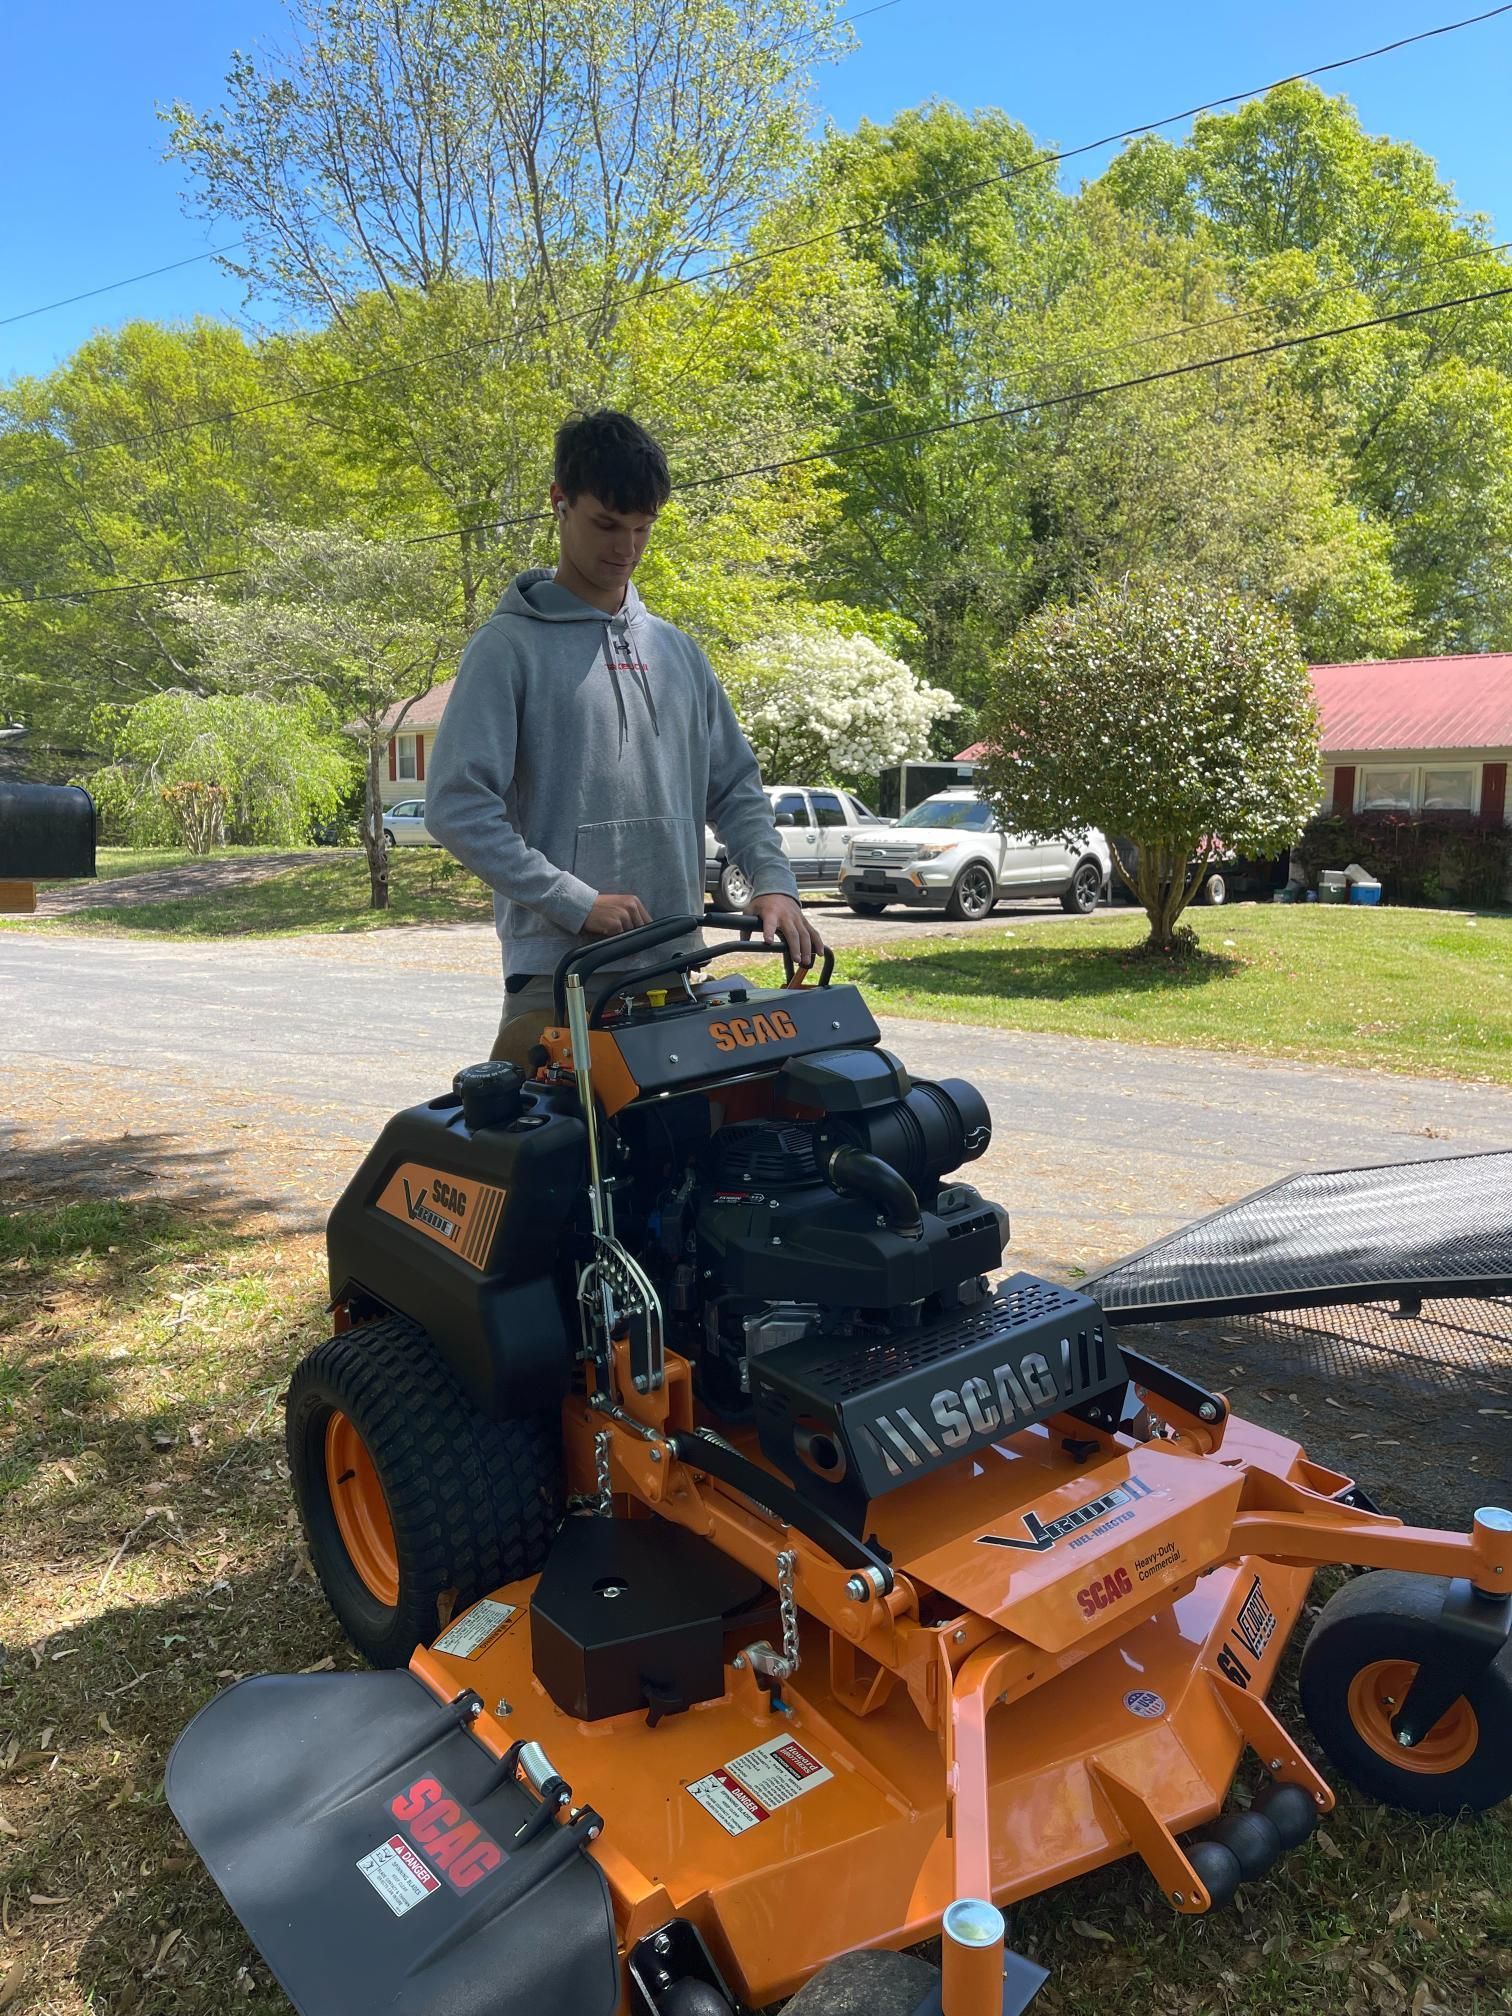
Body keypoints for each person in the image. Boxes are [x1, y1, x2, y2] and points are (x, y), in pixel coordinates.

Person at [426, 409, 824, 1062]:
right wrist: (575, 902)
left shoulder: (678, 653)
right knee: (559, 1160)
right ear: (559, 502)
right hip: (559, 979)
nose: (626, 548)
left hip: (673, 965)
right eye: (607, 525)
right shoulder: (506, 650)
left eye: (642, 529)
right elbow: (456, 807)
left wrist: (774, 883)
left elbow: (733, 787)